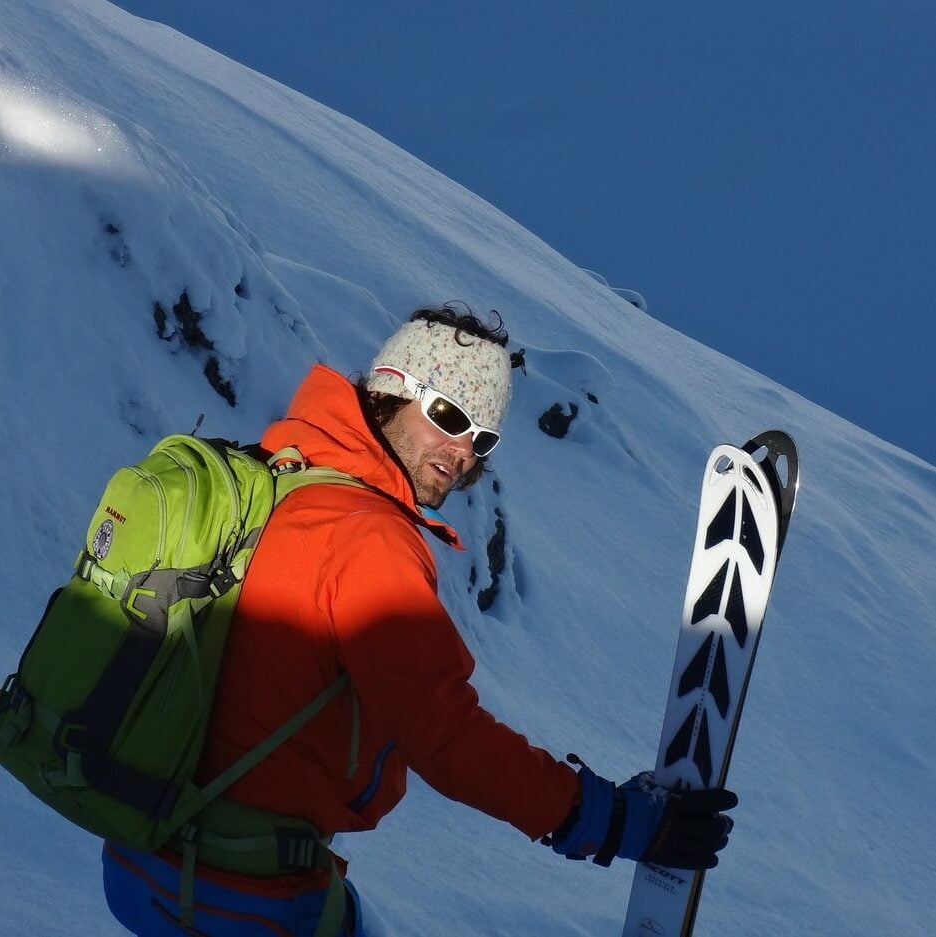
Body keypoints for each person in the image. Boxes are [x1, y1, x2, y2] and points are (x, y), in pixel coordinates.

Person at [101, 305, 737, 936]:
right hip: (238, 892)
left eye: (482, 439)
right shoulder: (365, 537)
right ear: (389, 392)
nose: (463, 453)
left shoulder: (278, 475)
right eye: (450, 417)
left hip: (139, 854)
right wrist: (613, 820)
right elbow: (445, 737)